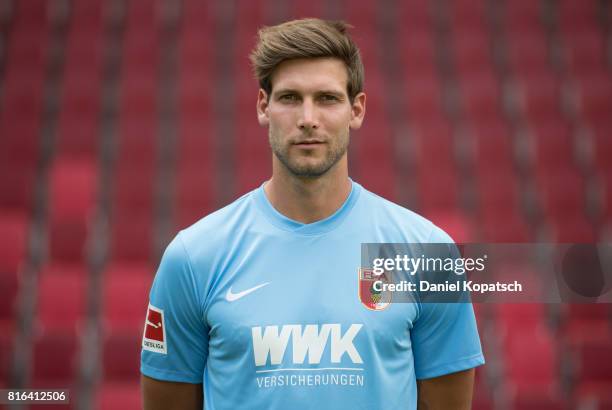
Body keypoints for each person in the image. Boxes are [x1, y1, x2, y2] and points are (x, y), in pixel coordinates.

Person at [141, 18, 484, 410]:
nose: (308, 118)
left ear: (356, 110)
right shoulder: (193, 257)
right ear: (263, 106)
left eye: (327, 98)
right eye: (289, 98)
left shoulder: (428, 253)